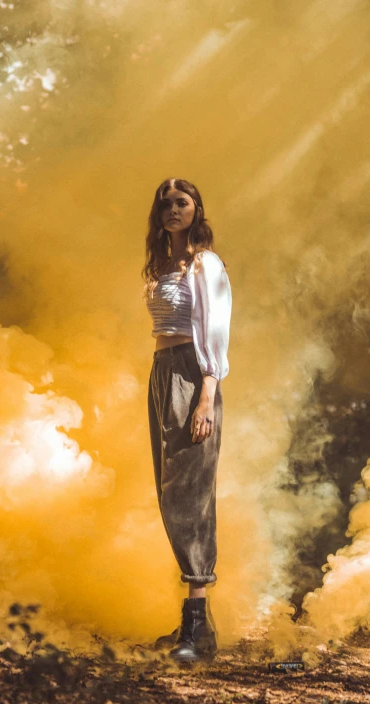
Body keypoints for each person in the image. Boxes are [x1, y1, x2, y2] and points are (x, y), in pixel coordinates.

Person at [141, 177, 232, 662]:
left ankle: (198, 630)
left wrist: (205, 395)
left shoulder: (205, 264)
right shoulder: (160, 265)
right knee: (168, 490)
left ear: (197, 210)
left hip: (193, 376)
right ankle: (193, 625)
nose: (172, 209)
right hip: (160, 374)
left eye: (182, 202)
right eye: (166, 204)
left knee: (191, 493)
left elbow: (215, 330)